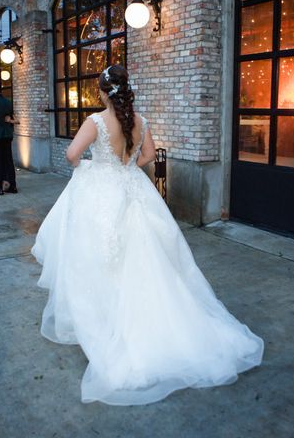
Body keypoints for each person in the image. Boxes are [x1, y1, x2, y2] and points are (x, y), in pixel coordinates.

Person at [32, 65, 263, 406]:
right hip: (134, 189)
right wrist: (125, 169)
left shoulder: (95, 122)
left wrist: (97, 170)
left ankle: (107, 321)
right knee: (148, 257)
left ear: (101, 92)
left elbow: (71, 155)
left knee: (99, 257)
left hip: (104, 192)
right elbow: (149, 155)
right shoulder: (140, 121)